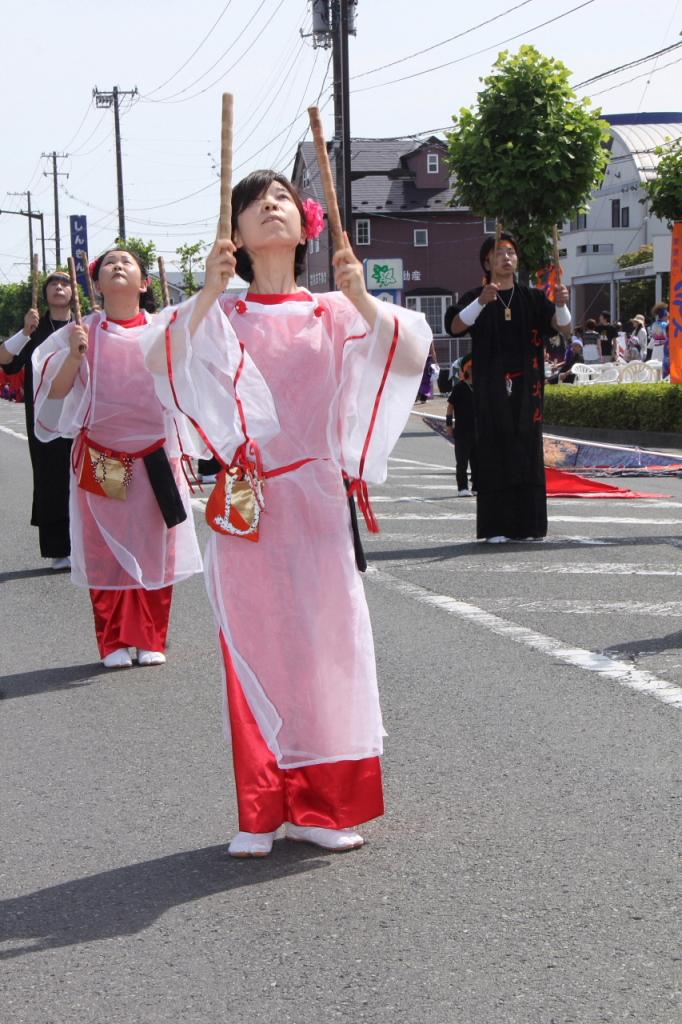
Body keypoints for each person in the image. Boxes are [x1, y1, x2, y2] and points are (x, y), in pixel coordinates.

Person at [142, 170, 432, 857]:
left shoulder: (333, 311)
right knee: (254, 651)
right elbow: (158, 360)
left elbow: (408, 349)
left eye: (279, 200)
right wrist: (207, 292)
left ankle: (323, 807)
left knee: (327, 650)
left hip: (319, 501)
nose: (268, 208)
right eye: (252, 203)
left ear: (305, 226)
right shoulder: (218, 316)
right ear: (234, 235)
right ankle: (261, 810)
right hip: (248, 502)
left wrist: (364, 298)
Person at [32, 248, 202, 668]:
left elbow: (190, 385)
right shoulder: (82, 331)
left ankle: (150, 637)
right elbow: (52, 400)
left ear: (145, 283)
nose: (118, 266)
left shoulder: (164, 329)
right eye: (110, 263)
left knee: (155, 546)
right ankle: (112, 642)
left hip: (157, 457)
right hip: (105, 455)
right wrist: (74, 355)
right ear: (96, 284)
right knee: (107, 548)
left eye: (128, 262)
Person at [445, 232, 571, 543]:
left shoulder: (531, 298)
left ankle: (529, 526)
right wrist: (480, 302)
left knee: (526, 452)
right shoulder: (477, 297)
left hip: (528, 389)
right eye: (499, 253)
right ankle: (495, 527)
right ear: (487, 261)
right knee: (493, 452)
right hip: (490, 390)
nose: (506, 258)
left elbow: (562, 327)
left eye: (511, 253)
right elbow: (454, 326)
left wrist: (563, 305)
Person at [0, 273, 74, 569]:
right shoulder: (35, 328)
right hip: (46, 419)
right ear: (45, 294)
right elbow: (5, 361)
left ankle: (96, 543)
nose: (59, 288)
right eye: (53, 284)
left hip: (85, 416)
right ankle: (59, 549)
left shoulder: (88, 324)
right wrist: (24, 332)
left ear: (73, 292)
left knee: (99, 474)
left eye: (65, 283)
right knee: (51, 478)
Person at [446, 352, 477, 496]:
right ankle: (462, 488)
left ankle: (477, 486)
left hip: (478, 430)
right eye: (471, 367)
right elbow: (450, 407)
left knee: (478, 460)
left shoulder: (481, 388)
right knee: (462, 461)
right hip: (462, 431)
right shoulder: (459, 387)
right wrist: (448, 425)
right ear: (466, 369)